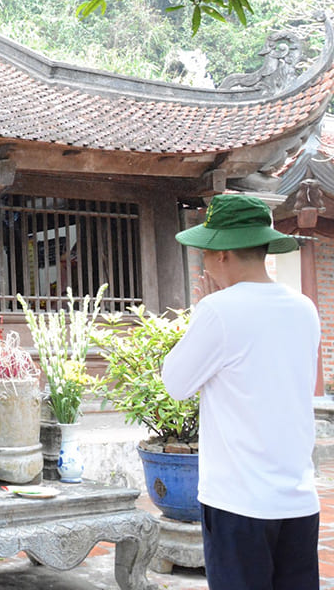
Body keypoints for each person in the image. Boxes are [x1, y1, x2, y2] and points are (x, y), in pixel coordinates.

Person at [163, 193, 320, 590]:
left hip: (239, 501)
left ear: (222, 255)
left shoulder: (219, 310)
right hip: (297, 496)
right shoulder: (304, 308)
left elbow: (176, 384)